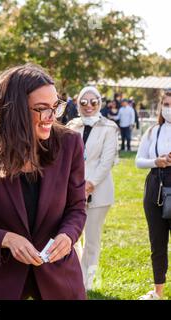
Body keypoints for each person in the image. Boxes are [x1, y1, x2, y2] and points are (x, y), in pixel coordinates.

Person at [0, 64, 87, 300]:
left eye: (55, 106)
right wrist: (6, 239)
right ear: (15, 110)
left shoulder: (70, 143)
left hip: (58, 273)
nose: (51, 117)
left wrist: (67, 236)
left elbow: (77, 208)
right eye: (41, 109)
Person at [66, 86, 119, 291]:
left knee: (92, 239)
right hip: (72, 189)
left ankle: (87, 283)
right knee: (71, 234)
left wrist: (89, 184)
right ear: (78, 104)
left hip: (98, 191)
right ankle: (74, 274)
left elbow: (107, 162)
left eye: (94, 102)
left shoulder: (110, 127)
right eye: (84, 102)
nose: (89, 106)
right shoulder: (72, 125)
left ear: (100, 103)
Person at [136, 89, 171, 300]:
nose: (169, 108)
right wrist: (156, 161)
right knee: (157, 242)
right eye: (166, 104)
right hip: (155, 188)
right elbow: (138, 161)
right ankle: (158, 291)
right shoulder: (153, 131)